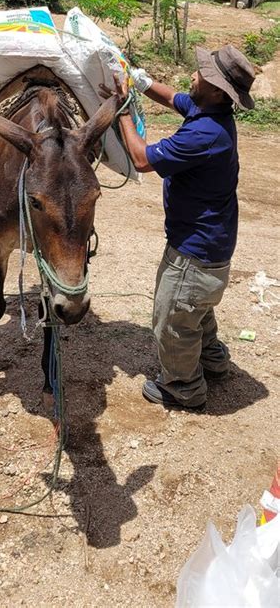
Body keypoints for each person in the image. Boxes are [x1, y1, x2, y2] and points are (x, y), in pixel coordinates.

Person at [101, 44, 256, 412]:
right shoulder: (211, 112)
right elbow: (174, 98)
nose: (193, 75)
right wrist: (139, 80)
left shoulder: (203, 135)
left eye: (200, 74)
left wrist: (122, 107)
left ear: (218, 90)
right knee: (197, 307)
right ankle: (213, 358)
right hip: (214, 247)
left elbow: (141, 159)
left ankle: (184, 387)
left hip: (193, 252)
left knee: (173, 317)